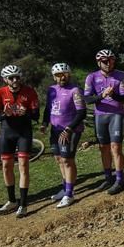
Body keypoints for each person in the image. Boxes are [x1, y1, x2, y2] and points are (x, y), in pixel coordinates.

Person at [0, 64, 40, 217]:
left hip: (24, 133)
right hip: (7, 133)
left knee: (23, 165)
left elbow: (36, 115)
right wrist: (4, 115)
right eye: (11, 78)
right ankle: (12, 200)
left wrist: (26, 113)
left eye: (17, 77)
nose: (15, 80)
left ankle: (24, 204)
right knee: (6, 166)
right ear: (5, 79)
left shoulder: (29, 91)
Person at [84, 49, 124, 194]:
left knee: (116, 147)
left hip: (116, 114)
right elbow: (87, 99)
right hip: (100, 116)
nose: (108, 63)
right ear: (99, 63)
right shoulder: (91, 77)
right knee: (103, 148)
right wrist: (101, 96)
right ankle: (108, 178)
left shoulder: (121, 76)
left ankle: (120, 180)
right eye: (104, 61)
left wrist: (113, 95)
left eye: (111, 60)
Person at [43, 63, 86, 208]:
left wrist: (69, 129)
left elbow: (82, 113)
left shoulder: (75, 90)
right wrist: (44, 124)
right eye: (58, 75)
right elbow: (48, 108)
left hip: (70, 130)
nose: (62, 77)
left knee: (67, 160)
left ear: (69, 74)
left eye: (65, 74)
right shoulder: (51, 90)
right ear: (54, 77)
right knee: (59, 159)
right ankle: (65, 188)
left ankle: (69, 194)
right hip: (55, 130)